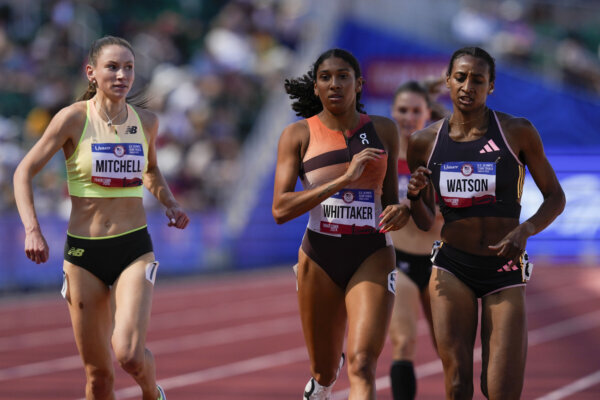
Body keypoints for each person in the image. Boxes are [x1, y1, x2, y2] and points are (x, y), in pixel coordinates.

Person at [13, 36, 189, 400]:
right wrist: (33, 229)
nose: (122, 74)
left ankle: (151, 393)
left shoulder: (147, 122)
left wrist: (169, 203)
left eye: (128, 67)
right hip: (83, 256)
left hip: (133, 249)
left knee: (128, 354)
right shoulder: (72, 119)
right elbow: (23, 172)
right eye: (112, 67)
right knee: (98, 377)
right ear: (91, 73)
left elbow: (151, 170)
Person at [407, 46, 565, 399]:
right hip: (452, 267)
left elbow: (556, 197)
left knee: (502, 390)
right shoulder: (423, 143)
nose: (467, 86)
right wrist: (416, 198)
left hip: (504, 268)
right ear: (447, 80)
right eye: (460, 77)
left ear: (491, 86)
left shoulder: (517, 132)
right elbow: (424, 220)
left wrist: (526, 229)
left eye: (477, 80)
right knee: (458, 383)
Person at [272, 48, 410, 399]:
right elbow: (280, 210)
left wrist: (402, 210)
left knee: (363, 363)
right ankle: (321, 385)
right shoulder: (297, 135)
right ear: (316, 87)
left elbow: (391, 201)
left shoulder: (384, 130)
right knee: (325, 368)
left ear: (359, 84)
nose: (335, 83)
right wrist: (342, 179)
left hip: (372, 253)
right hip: (319, 256)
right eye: (326, 77)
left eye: (343, 76)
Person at [387, 80, 446, 400]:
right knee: (404, 342)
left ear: (427, 113)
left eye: (416, 110)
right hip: (400, 259)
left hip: (440, 260)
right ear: (392, 112)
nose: (409, 117)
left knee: (448, 348)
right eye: (402, 110)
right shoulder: (381, 154)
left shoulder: (440, 151)